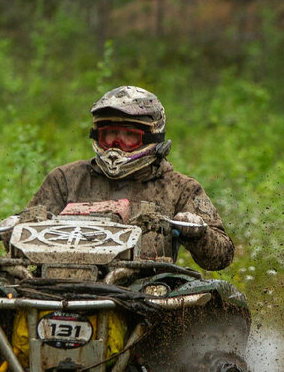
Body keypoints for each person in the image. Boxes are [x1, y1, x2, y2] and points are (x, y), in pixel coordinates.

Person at [23, 85, 235, 271]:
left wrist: (198, 232)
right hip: (62, 284)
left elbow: (222, 256)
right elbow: (21, 234)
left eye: (129, 136)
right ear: (98, 135)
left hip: (143, 293)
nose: (116, 144)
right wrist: (15, 225)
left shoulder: (180, 188)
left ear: (151, 136)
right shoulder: (66, 179)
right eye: (110, 134)